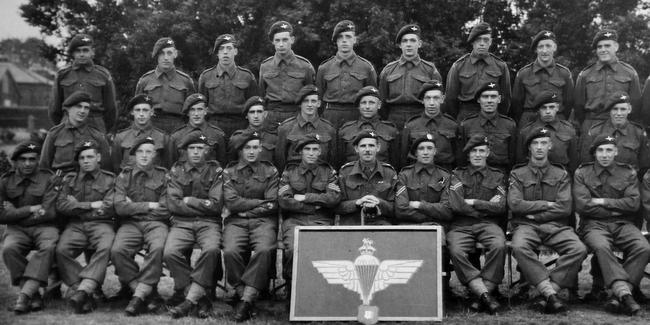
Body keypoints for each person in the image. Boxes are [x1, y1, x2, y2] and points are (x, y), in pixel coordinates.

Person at [508, 127, 587, 314]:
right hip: (526, 226)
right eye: (535, 143)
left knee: (579, 249)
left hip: (556, 226)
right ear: (529, 148)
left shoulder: (561, 174)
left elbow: (565, 207)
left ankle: (549, 290)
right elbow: (516, 204)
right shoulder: (517, 174)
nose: (539, 147)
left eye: (543, 143)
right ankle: (549, 293)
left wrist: (535, 213)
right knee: (519, 248)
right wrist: (547, 205)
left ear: (550, 146)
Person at [574, 134, 650, 316]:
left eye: (609, 150)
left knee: (643, 247)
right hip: (593, 225)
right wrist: (616, 207)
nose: (605, 155)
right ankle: (624, 293)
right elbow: (583, 206)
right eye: (600, 150)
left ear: (616, 152)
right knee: (602, 246)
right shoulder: (582, 173)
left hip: (623, 224)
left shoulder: (628, 172)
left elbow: (633, 204)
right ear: (594, 153)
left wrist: (600, 201)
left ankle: (620, 295)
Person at [164, 132, 224, 318]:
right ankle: (201, 297)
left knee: (212, 250)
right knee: (170, 252)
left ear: (206, 150)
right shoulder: (176, 170)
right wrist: (201, 205)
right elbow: (173, 204)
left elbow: (216, 205)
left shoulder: (216, 171)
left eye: (200, 148)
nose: (196, 152)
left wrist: (189, 200)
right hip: (182, 223)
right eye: (192, 148)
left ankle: (188, 301)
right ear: (185, 151)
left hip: (209, 224)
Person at [222, 130, 279, 321]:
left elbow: (272, 203)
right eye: (247, 148)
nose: (252, 151)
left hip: (263, 221)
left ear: (261, 149)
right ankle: (244, 295)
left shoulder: (270, 171)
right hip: (236, 222)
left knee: (265, 249)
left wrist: (246, 209)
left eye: (255, 147)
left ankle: (245, 300)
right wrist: (257, 203)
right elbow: (231, 203)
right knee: (230, 251)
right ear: (240, 150)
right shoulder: (228, 172)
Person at [446, 134, 507, 314]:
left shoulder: (497, 176)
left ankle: (481, 293)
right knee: (456, 250)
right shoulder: (457, 174)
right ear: (468, 155)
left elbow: (501, 206)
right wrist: (486, 206)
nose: (478, 155)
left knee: (499, 245)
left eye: (482, 151)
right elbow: (456, 204)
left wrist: (473, 202)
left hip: (488, 225)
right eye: (474, 151)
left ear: (488, 153)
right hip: (461, 226)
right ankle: (485, 293)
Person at [110, 137, 170, 316]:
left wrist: (133, 207)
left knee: (158, 247)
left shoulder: (164, 175)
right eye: (140, 152)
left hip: (156, 224)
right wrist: (150, 205)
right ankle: (143, 292)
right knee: (117, 251)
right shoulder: (123, 176)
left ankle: (138, 297)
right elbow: (120, 207)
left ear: (155, 155)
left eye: (148, 152)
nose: (144, 155)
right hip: (130, 225)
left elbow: (166, 208)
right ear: (134, 155)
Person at [55, 141, 116, 314]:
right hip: (76, 226)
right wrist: (91, 205)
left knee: (106, 247)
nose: (86, 161)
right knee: (61, 250)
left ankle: (83, 290)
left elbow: (109, 207)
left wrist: (77, 206)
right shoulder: (69, 179)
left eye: (90, 156)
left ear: (98, 157)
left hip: (102, 224)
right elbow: (61, 206)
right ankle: (83, 290)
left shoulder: (110, 179)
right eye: (82, 158)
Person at [0, 141, 59, 314]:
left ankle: (25, 295)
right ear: (15, 162)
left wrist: (16, 213)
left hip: (45, 227)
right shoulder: (5, 181)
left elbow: (49, 213)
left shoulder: (49, 178)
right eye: (23, 159)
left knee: (48, 247)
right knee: (9, 250)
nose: (28, 163)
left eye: (32, 159)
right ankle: (34, 295)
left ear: (38, 160)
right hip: (17, 230)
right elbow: (1, 216)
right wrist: (31, 209)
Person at [279, 134, 341, 291]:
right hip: (295, 220)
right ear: (300, 152)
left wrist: (305, 197)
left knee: (321, 250)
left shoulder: (328, 172)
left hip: (321, 220)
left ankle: (318, 290)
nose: (311, 153)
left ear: (320, 152)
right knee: (293, 249)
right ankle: (291, 288)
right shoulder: (289, 172)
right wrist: (314, 205)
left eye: (315, 149)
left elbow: (333, 199)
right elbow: (285, 201)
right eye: (307, 149)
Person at [574, 29, 641, 136]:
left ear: (616, 47)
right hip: (591, 125)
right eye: (599, 47)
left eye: (607, 46)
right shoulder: (585, 74)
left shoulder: (629, 72)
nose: (603, 50)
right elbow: (578, 106)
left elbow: (635, 105)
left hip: (620, 127)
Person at [50, 34, 117, 133]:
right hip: (68, 125)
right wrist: (63, 124)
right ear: (73, 53)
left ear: (92, 52)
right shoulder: (63, 75)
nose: (82, 54)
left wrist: (102, 129)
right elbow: (55, 108)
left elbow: (111, 108)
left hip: (95, 126)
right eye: (78, 51)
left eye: (85, 50)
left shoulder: (103, 75)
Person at [378, 24, 441, 129]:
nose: (408, 44)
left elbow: (438, 100)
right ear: (400, 45)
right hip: (394, 120)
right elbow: (382, 102)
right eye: (405, 41)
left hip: (420, 118)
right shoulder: (388, 70)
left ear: (419, 44)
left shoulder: (430, 70)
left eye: (412, 40)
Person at [316, 20, 377, 128]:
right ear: (336, 41)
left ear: (354, 39)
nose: (344, 41)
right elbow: (318, 100)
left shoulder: (366, 67)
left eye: (348, 37)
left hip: (356, 116)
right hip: (330, 117)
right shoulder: (324, 68)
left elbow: (373, 98)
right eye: (340, 37)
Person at [445, 22, 511, 121]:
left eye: (485, 40)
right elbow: (450, 99)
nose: (482, 43)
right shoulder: (459, 66)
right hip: (466, 116)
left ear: (490, 42)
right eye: (478, 40)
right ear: (472, 42)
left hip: (492, 117)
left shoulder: (500, 66)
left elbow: (505, 99)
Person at [198, 34, 259, 138]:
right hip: (214, 126)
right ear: (217, 53)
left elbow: (254, 105)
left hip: (241, 126)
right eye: (221, 49)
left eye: (229, 48)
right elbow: (200, 106)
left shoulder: (247, 76)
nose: (225, 52)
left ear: (235, 51)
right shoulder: (206, 76)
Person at [259, 21, 315, 130]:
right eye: (277, 40)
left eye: (285, 40)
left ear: (292, 40)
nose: (281, 44)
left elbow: (311, 95)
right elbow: (261, 94)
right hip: (271, 117)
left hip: (297, 115)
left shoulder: (305, 66)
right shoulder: (265, 66)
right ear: (273, 42)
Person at [511, 31, 574, 125]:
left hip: (557, 122)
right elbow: (516, 104)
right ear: (536, 49)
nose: (544, 51)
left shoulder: (564, 73)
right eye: (541, 47)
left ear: (555, 47)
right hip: (530, 122)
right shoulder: (523, 73)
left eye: (548, 46)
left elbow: (569, 103)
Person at [40, 91, 111, 173]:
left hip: (87, 181)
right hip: (62, 181)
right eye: (79, 106)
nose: (82, 111)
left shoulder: (97, 136)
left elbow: (106, 167)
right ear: (68, 109)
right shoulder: (54, 134)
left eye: (86, 108)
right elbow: (44, 167)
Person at [336, 131, 398, 225]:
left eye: (371, 146)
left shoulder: (389, 172)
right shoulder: (345, 172)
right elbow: (337, 206)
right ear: (356, 149)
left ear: (378, 147)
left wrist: (379, 202)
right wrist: (357, 202)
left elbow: (396, 207)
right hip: (352, 225)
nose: (367, 150)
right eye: (363, 146)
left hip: (380, 225)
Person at [136, 37, 196, 133]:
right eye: (161, 53)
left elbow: (193, 111)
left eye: (169, 53)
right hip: (151, 127)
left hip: (178, 127)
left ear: (175, 54)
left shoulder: (186, 81)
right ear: (156, 56)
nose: (166, 57)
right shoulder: (145, 80)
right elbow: (137, 110)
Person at [578, 92, 649, 173]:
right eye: (615, 109)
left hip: (629, 182)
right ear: (609, 111)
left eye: (623, 109)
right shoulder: (595, 131)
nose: (619, 113)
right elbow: (586, 164)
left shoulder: (638, 133)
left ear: (629, 109)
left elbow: (644, 166)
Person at [402, 80, 460, 171]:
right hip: (417, 176)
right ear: (422, 100)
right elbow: (403, 157)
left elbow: (458, 158)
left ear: (442, 99)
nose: (432, 103)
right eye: (428, 98)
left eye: (436, 98)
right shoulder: (411, 126)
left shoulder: (452, 125)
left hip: (445, 174)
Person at [275, 85, 336, 170]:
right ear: (300, 104)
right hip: (294, 177)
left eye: (313, 101)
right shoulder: (286, 128)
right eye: (306, 101)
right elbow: (280, 159)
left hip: (321, 178)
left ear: (319, 103)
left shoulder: (328, 129)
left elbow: (333, 160)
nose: (310, 105)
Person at [459, 82, 516, 172]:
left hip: (501, 176)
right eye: (485, 97)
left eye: (493, 97)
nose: (489, 101)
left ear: (499, 99)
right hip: (473, 176)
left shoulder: (509, 125)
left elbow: (513, 158)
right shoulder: (467, 125)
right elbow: (461, 159)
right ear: (478, 100)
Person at [338, 86, 399, 168]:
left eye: (371, 103)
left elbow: (396, 161)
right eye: (363, 103)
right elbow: (338, 160)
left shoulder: (390, 130)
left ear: (379, 105)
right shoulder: (346, 130)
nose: (367, 106)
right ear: (358, 106)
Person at [516, 91, 578, 172]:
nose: (548, 111)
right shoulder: (526, 132)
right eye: (544, 108)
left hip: (561, 179)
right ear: (538, 110)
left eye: (551, 107)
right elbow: (520, 162)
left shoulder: (568, 131)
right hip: (533, 178)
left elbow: (573, 162)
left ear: (557, 108)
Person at [112, 94, 169, 171]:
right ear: (132, 112)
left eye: (145, 110)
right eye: (138, 110)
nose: (141, 114)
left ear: (152, 112)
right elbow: (115, 167)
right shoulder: (120, 137)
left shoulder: (163, 137)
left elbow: (168, 165)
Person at [169, 93, 227, 166]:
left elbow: (222, 164)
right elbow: (171, 165)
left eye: (200, 109)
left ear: (206, 111)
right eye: (192, 110)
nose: (196, 114)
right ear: (187, 113)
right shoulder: (176, 137)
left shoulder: (217, 135)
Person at [228, 96, 278, 165]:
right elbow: (231, 164)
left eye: (259, 112)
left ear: (265, 114)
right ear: (246, 115)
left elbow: (279, 165)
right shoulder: (237, 139)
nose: (256, 116)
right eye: (252, 112)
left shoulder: (274, 139)